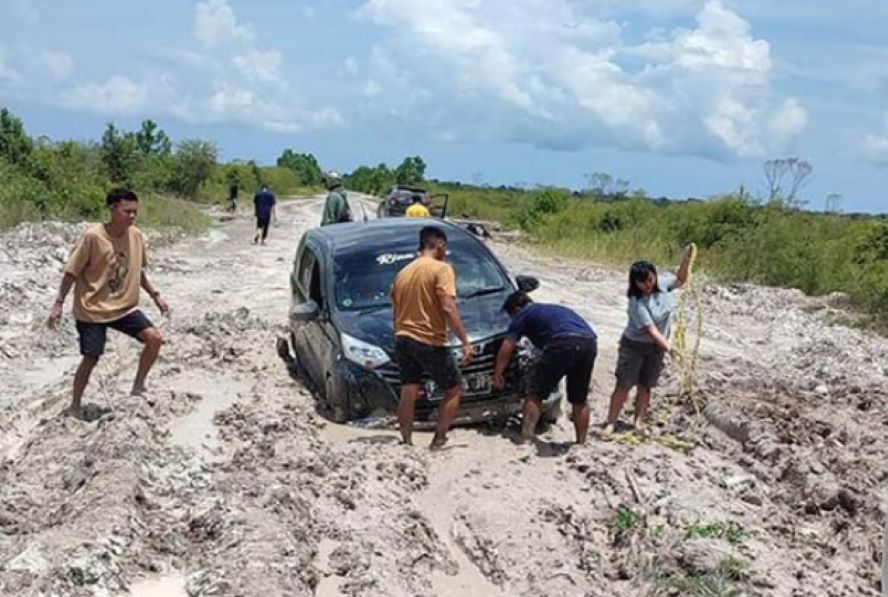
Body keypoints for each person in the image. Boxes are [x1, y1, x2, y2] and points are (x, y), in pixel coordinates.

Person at [47, 188, 169, 418]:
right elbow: (71, 272)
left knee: (155, 339)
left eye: (135, 212)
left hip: (124, 307)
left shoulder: (136, 236)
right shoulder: (93, 237)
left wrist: (156, 296)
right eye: (127, 211)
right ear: (113, 209)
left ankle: (138, 386)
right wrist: (58, 303)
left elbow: (138, 271)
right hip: (92, 309)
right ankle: (75, 404)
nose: (132, 216)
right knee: (91, 358)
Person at [390, 226, 473, 449]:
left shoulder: (403, 273)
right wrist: (464, 340)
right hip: (429, 340)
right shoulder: (442, 269)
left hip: (403, 337)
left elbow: (395, 308)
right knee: (454, 388)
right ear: (441, 246)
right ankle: (439, 438)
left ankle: (406, 440)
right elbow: (448, 307)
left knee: (408, 390)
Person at [603, 246, 694, 435]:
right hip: (634, 346)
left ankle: (638, 422)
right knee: (624, 385)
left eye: (650, 280)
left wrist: (686, 260)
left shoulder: (661, 285)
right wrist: (670, 348)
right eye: (643, 283)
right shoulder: (636, 302)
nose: (648, 285)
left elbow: (680, 280)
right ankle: (611, 422)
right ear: (635, 283)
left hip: (656, 349)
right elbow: (650, 329)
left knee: (646, 385)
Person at [493, 292, 597, 445]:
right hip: (588, 342)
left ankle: (526, 439)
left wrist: (498, 373)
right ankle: (581, 442)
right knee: (579, 399)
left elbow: (508, 345)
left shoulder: (523, 314)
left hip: (562, 343)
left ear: (516, 309)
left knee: (535, 394)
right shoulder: (550, 309)